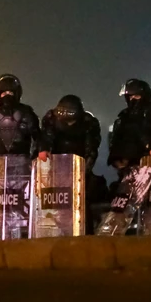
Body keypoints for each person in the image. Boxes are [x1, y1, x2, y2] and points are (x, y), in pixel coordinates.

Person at [38, 95, 102, 233]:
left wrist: (84, 171)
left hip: (79, 166)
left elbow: (91, 149)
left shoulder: (89, 123)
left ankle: (85, 233)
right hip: (56, 168)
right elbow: (46, 137)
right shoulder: (51, 119)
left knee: (82, 202)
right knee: (56, 204)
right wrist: (44, 151)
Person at [0, 74, 40, 160]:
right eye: (4, 93)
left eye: (10, 93)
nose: (7, 96)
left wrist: (34, 157)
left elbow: (38, 138)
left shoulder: (26, 113)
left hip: (22, 161)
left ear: (17, 93)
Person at [108, 79, 151, 174]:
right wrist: (116, 159)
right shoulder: (124, 116)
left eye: (137, 96)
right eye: (130, 96)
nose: (133, 99)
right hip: (126, 167)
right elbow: (115, 139)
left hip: (148, 164)